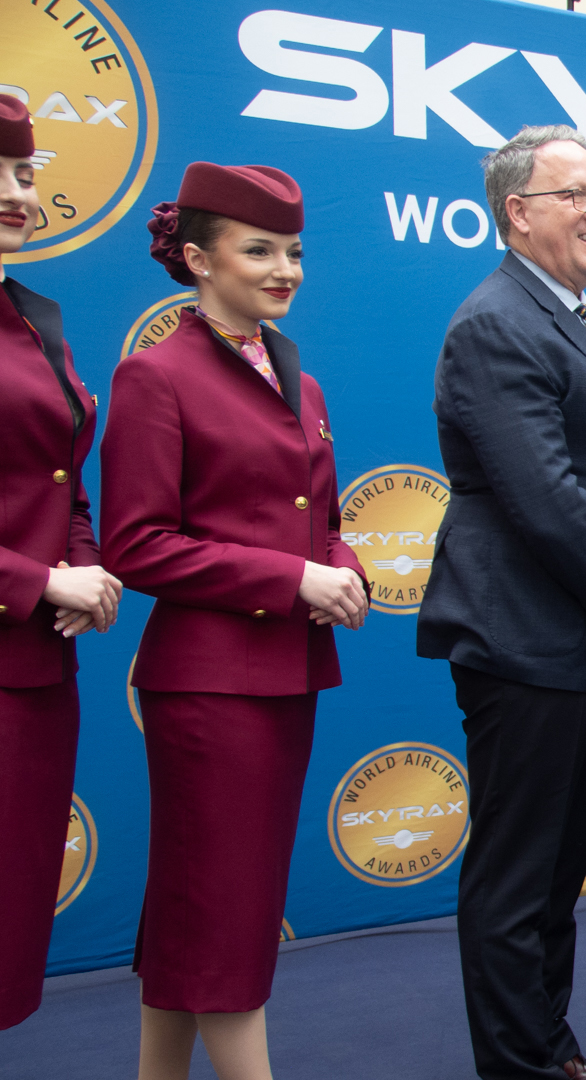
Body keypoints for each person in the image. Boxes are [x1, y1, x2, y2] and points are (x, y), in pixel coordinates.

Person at [416, 125, 586, 1080]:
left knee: (557, 869)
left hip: (585, 640)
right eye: (576, 195)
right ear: (517, 212)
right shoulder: (497, 321)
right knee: (519, 875)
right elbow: (547, 501)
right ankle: (523, 1067)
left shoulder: (582, 321)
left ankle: (551, 1055)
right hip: (527, 640)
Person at [103, 162, 368, 1078]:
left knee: (208, 904)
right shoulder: (154, 376)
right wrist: (293, 579)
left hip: (287, 675)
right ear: (197, 259)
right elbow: (136, 546)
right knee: (221, 907)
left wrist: (341, 566)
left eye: (293, 251)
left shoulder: (303, 381)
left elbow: (323, 522)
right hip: (207, 685)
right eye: (259, 250)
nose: (285, 269)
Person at [0, 94, 122, 1031]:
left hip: (37, 670)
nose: (18, 193)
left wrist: (82, 567)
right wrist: (36, 581)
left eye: (25, 173)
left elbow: (62, 479)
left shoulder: (33, 316)